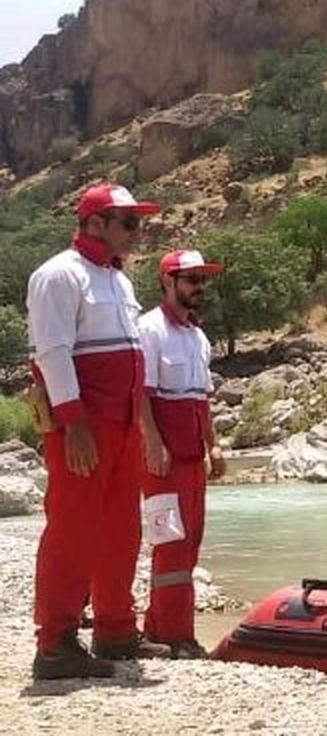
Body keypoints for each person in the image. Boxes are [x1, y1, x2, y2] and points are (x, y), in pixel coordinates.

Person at [26, 183, 171, 680]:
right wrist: (74, 425)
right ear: (94, 224)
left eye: (140, 222)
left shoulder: (119, 280)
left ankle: (115, 631)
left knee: (120, 529)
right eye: (128, 222)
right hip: (85, 425)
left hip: (124, 423)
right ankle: (55, 644)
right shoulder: (58, 275)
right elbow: (53, 353)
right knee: (72, 529)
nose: (138, 231)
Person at [138, 249, 227, 659]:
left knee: (189, 545)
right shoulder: (150, 329)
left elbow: (201, 400)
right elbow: (142, 395)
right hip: (163, 461)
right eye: (191, 279)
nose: (199, 287)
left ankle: (158, 628)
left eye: (202, 280)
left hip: (192, 459)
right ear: (168, 282)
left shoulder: (197, 337)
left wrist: (215, 445)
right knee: (169, 544)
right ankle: (176, 636)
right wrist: (152, 444)